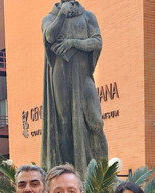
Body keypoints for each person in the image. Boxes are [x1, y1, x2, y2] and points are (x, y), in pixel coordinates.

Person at [40, 0, 108, 172]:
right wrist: (62, 14)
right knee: (65, 123)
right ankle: (68, 172)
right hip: (61, 76)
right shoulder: (49, 18)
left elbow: (97, 42)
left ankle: (100, 173)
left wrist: (73, 43)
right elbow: (50, 36)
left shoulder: (87, 16)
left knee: (96, 121)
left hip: (83, 76)